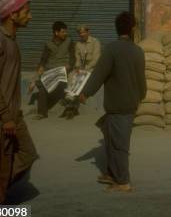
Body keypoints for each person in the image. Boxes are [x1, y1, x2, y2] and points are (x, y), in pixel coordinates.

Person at [0, 0, 39, 204]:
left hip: (11, 117)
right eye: (26, 12)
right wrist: (5, 117)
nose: (30, 16)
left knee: (25, 155)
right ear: (13, 15)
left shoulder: (11, 41)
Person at [79, 12, 146, 192]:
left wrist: (85, 93)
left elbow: (98, 75)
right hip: (129, 104)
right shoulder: (138, 51)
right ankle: (111, 173)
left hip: (118, 106)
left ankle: (123, 181)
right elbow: (142, 81)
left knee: (120, 145)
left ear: (117, 29)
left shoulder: (111, 49)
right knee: (110, 138)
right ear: (132, 29)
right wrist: (141, 96)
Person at [33, 21, 75, 120]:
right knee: (42, 85)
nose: (65, 33)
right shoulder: (48, 44)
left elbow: (73, 58)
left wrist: (69, 66)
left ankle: (70, 110)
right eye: (63, 32)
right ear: (56, 33)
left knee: (70, 85)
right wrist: (40, 69)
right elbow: (43, 60)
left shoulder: (69, 42)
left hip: (64, 70)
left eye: (66, 31)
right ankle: (42, 113)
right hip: (51, 71)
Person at [65, 24, 102, 118]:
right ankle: (69, 95)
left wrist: (86, 68)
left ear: (88, 32)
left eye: (84, 32)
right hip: (81, 67)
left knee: (83, 78)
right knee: (71, 75)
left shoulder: (95, 42)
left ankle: (72, 102)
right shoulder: (78, 44)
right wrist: (77, 67)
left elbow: (96, 59)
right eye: (80, 33)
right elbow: (77, 58)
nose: (82, 35)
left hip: (92, 67)